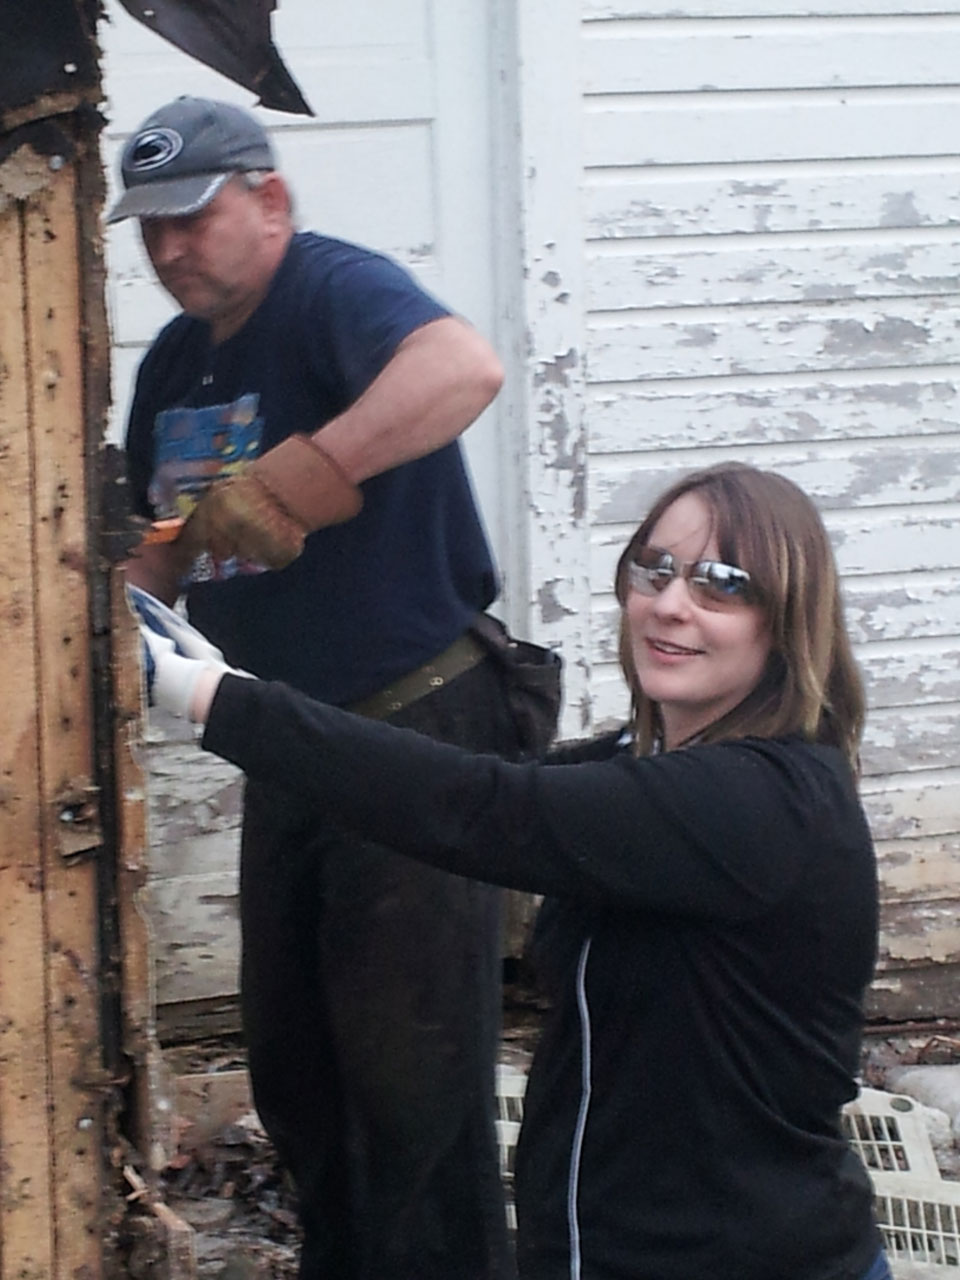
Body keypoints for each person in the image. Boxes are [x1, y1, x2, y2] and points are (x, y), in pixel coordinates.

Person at [133, 461, 892, 1280]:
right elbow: (444, 790)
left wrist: (212, 699)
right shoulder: (648, 765)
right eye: (656, 568)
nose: (672, 603)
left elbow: (486, 811)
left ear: (785, 619)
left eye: (722, 584)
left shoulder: (761, 800)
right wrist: (241, 688)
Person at [110, 95, 556, 1280]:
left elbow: (465, 366)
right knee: (299, 1066)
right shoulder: (172, 363)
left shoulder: (329, 290)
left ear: (269, 200)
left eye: (191, 220)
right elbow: (157, 541)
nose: (168, 251)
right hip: (292, 741)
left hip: (418, 723)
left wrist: (314, 469)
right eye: (148, 231)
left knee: (415, 1080)